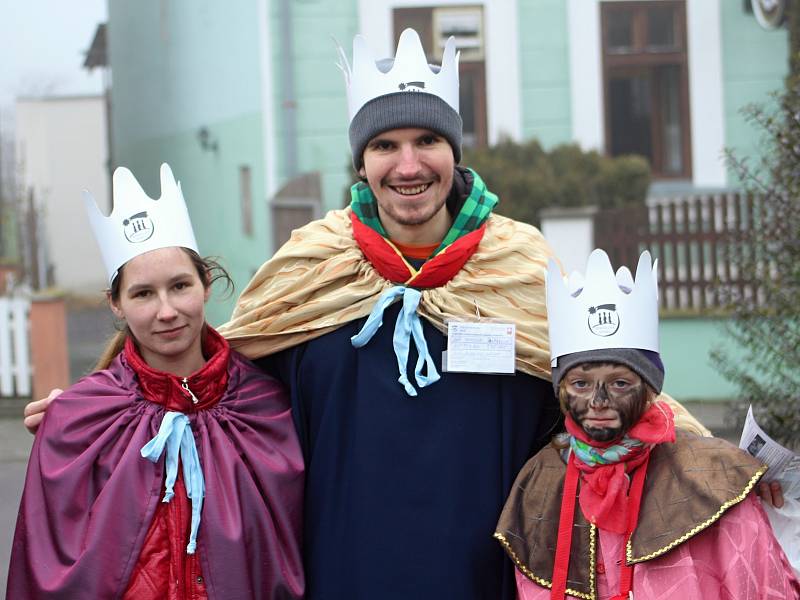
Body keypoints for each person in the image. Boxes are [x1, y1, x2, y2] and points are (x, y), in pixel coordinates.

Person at [24, 30, 708, 600]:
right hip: (341, 571)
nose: (407, 164)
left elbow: (610, 393)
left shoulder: (522, 267)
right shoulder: (312, 267)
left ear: (453, 152)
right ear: (362, 160)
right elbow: (211, 378)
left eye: (426, 142)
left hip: (487, 575)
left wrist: (711, 468)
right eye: (385, 146)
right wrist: (99, 411)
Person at [8, 164, 304, 599]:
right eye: (143, 293)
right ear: (116, 304)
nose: (166, 311)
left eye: (180, 286)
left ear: (206, 285)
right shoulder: (82, 421)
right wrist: (68, 419)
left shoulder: (268, 405)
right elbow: (43, 569)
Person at [494, 249, 800, 600]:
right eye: (580, 383)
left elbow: (760, 584)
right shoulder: (539, 480)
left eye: (620, 383)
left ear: (650, 387)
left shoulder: (711, 478)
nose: (598, 401)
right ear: (560, 390)